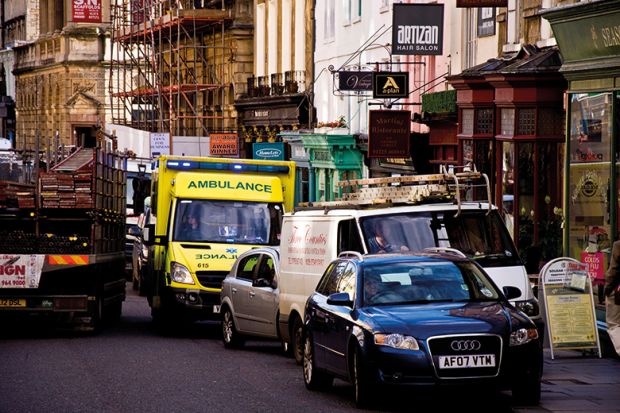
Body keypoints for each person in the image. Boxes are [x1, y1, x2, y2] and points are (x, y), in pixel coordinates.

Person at [605, 240, 620, 356]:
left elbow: (613, 271)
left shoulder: (618, 245)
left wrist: (607, 289)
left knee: (613, 324)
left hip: (617, 291)